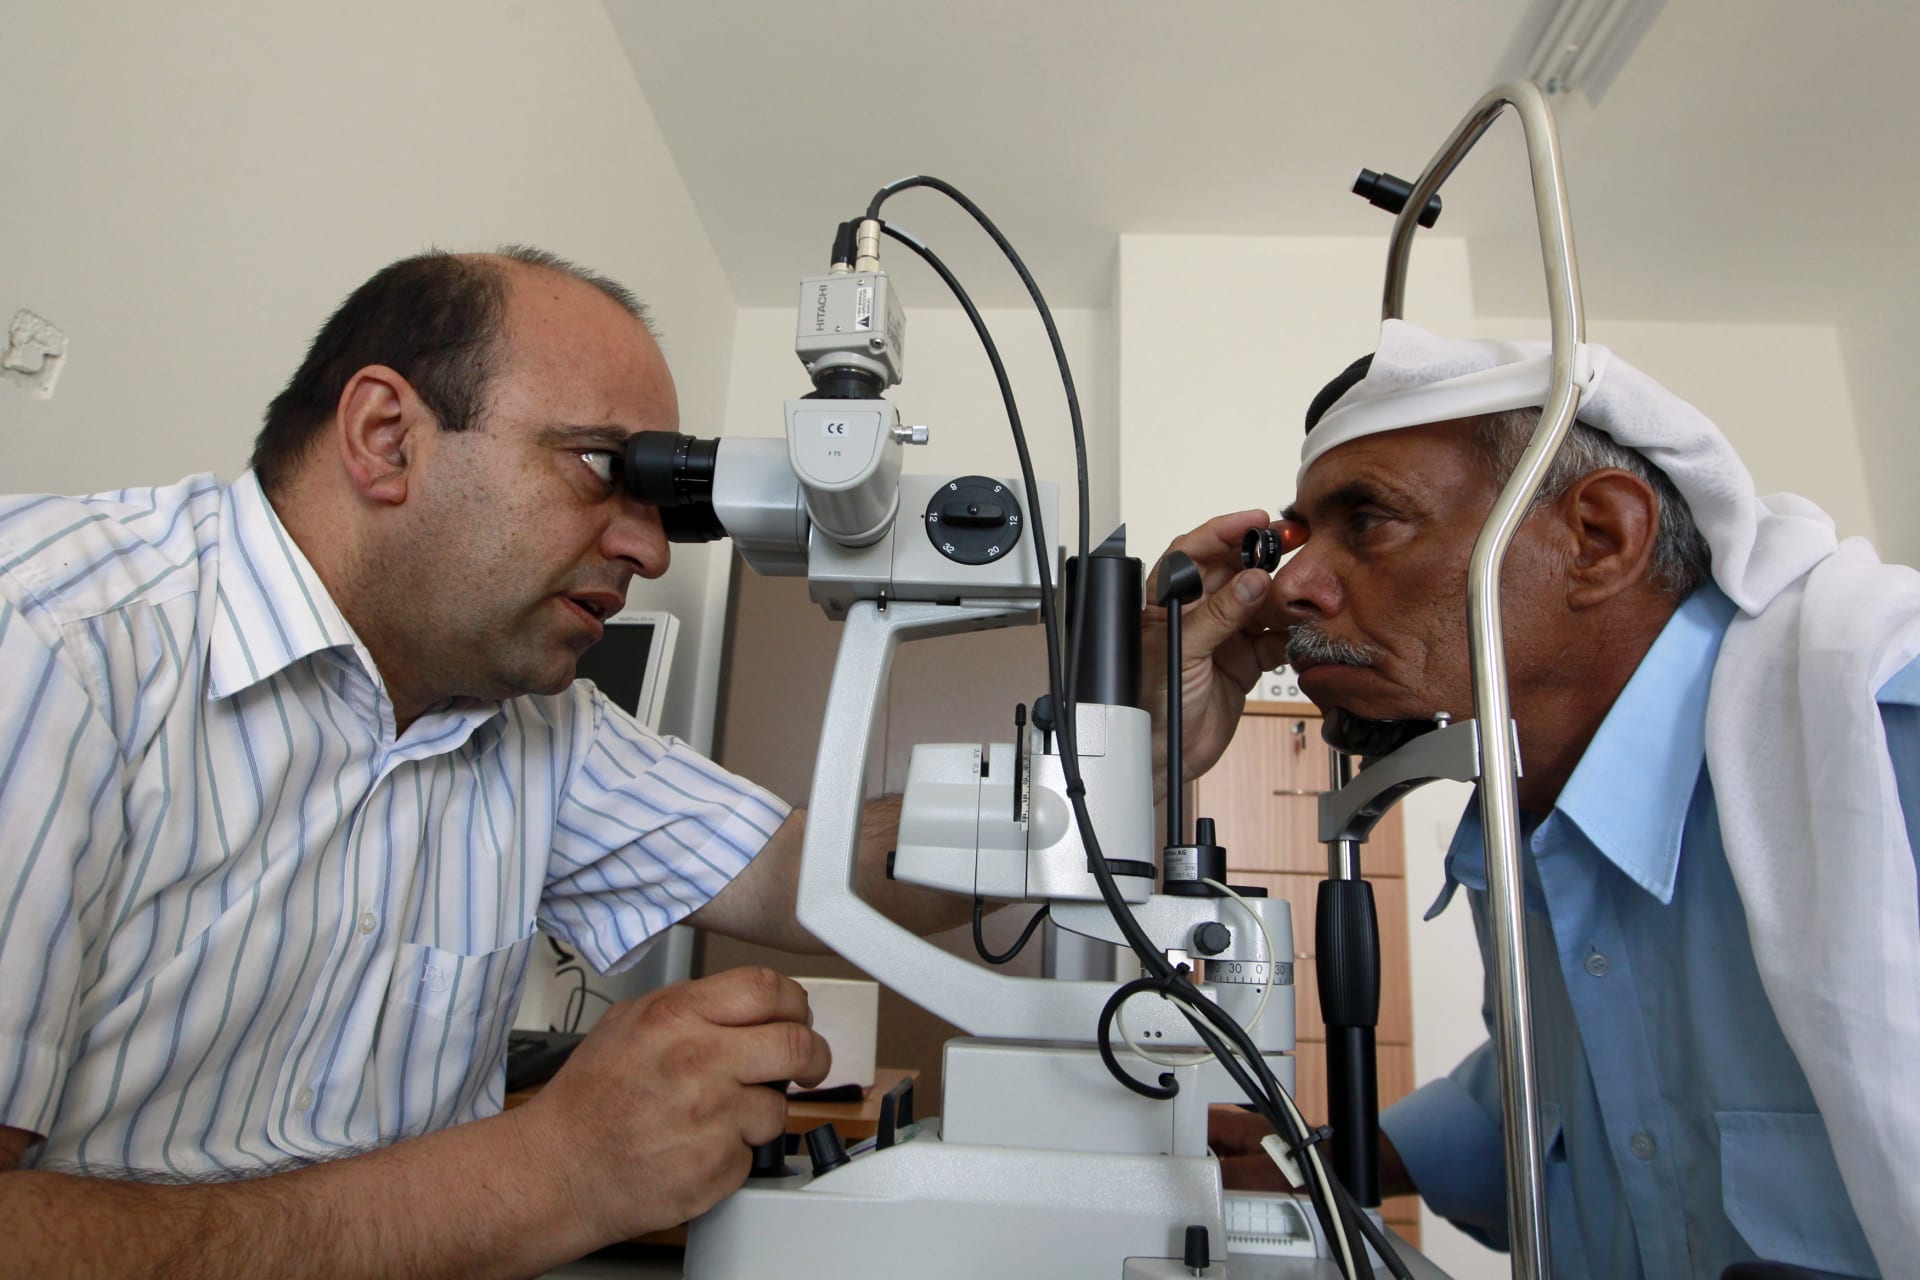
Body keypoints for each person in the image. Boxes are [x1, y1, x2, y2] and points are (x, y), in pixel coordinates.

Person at [0, 247, 962, 1278]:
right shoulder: (52, 638)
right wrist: (554, 1170)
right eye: (604, 467)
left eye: (661, 502)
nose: (649, 550)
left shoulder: (535, 719)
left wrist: (1128, 717)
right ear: (386, 438)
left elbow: (813, 875)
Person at [1163, 320, 1918, 1278]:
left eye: (1369, 522)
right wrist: (1321, 1157)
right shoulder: (1525, 814)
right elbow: (1579, 1081)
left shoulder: (1874, 747)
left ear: (1598, 539)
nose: (1294, 587)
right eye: (1298, 541)